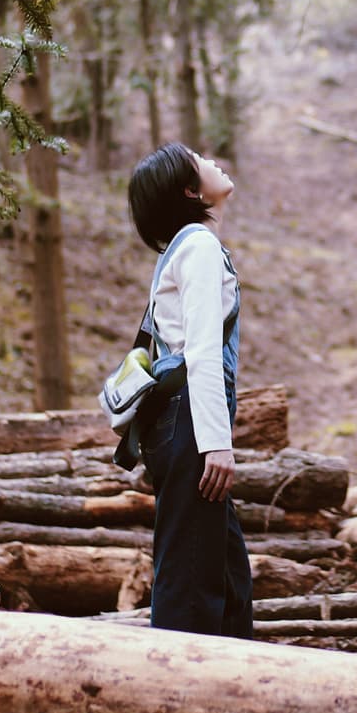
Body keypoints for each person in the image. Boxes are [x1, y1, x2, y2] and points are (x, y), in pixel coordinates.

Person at [124, 141, 253, 639]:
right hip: (189, 425)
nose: (212, 160)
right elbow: (201, 350)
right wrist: (215, 443)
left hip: (177, 423)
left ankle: (239, 676)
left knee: (226, 575)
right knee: (189, 581)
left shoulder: (185, 248)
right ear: (189, 190)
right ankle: (173, 679)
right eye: (199, 161)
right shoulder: (198, 246)